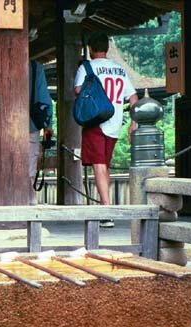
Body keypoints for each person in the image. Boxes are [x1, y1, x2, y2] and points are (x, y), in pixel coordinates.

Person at [74, 32, 138, 227]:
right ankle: (106, 204)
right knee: (105, 165)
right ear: (107, 49)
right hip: (116, 121)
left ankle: (107, 210)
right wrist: (133, 122)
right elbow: (133, 97)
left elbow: (78, 90)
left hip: (96, 120)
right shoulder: (119, 69)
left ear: (91, 49)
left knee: (98, 164)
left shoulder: (87, 67)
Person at [28, 60, 54, 205]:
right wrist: (48, 125)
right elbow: (44, 99)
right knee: (29, 163)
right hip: (30, 124)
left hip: (0, 126)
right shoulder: (35, 68)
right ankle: (29, 199)